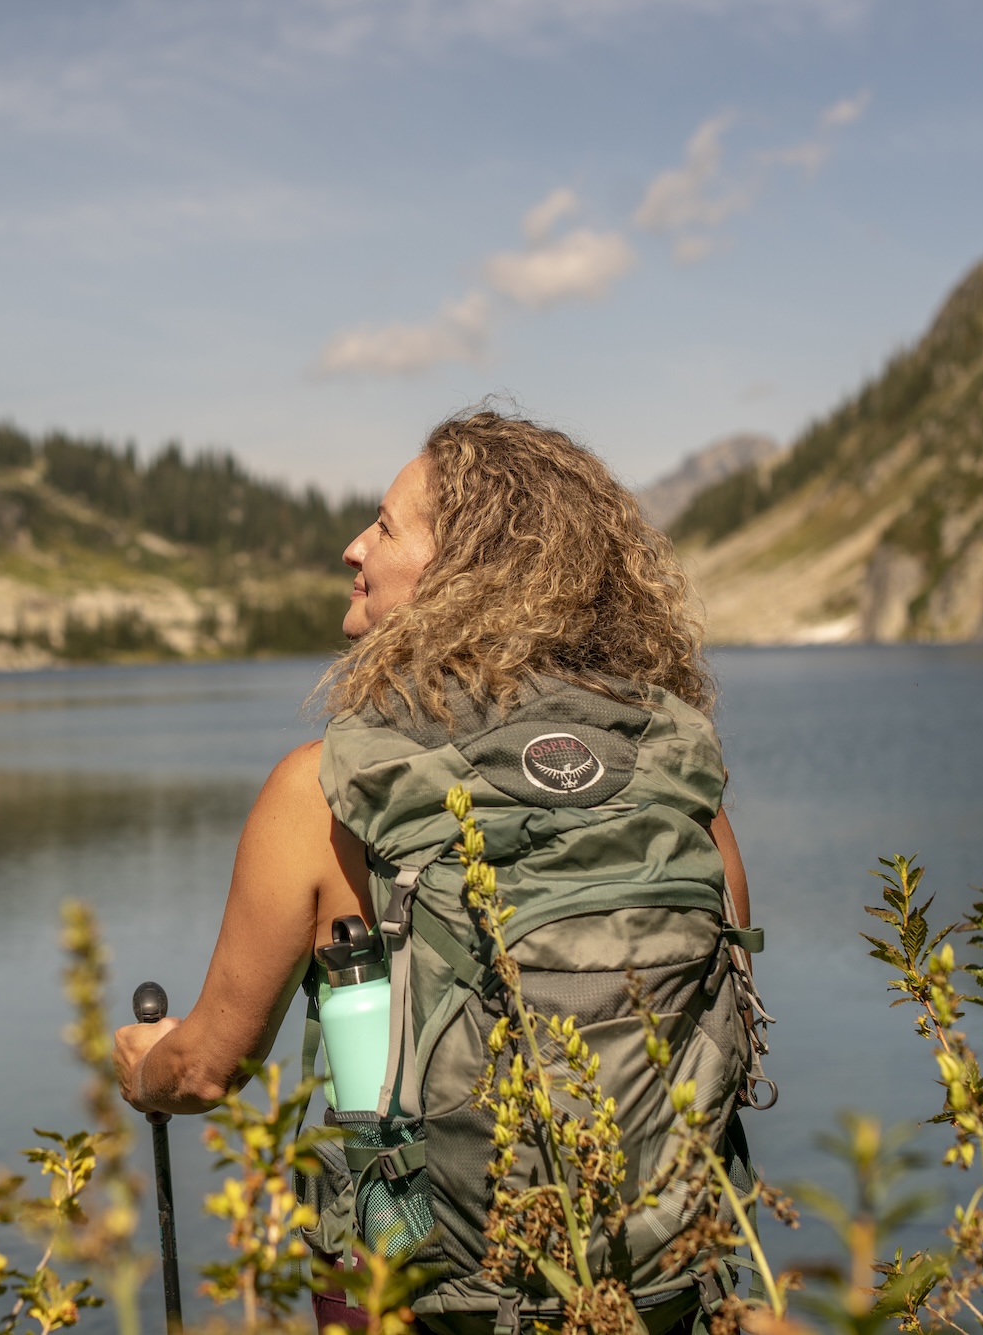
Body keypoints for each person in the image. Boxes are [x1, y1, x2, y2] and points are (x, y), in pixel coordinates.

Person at [114, 407, 757, 1332]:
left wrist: (144, 1068)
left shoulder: (326, 790)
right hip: (652, 1290)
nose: (352, 547)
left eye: (382, 525)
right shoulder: (672, 766)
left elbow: (208, 1068)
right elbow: (727, 994)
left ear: (463, 574)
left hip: (421, 1298)